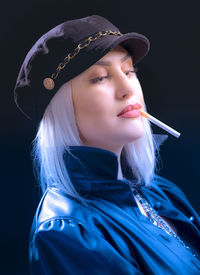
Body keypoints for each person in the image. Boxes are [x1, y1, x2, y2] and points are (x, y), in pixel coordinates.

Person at [14, 15, 200, 274]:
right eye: (101, 77)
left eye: (129, 71)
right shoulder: (69, 232)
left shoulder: (161, 192)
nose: (127, 88)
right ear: (62, 108)